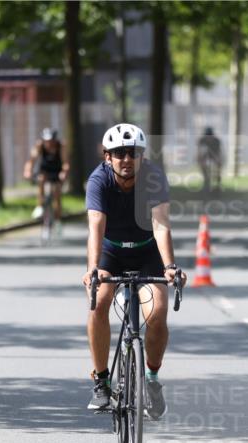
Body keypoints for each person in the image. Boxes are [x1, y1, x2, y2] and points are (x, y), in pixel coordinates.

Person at [83, 123, 185, 417]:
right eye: (119, 153)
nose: (126, 159)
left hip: (147, 250)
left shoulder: (153, 177)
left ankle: (151, 379)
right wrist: (93, 269)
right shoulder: (98, 181)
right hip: (111, 251)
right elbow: (95, 227)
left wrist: (169, 267)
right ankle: (102, 382)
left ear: (142, 156)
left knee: (157, 313)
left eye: (133, 153)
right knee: (99, 303)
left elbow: (161, 224)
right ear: (107, 157)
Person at [23, 127, 69, 223]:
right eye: (47, 141)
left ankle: (58, 220)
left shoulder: (61, 146)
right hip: (45, 171)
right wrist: (28, 171)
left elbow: (65, 163)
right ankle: (39, 206)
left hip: (57, 171)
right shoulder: (39, 146)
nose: (49, 144)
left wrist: (64, 173)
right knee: (41, 180)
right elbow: (31, 160)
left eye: (51, 141)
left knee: (57, 194)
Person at [196, 127, 223, 193]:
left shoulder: (216, 140)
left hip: (214, 155)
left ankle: (217, 185)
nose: (209, 137)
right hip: (205, 156)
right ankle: (206, 184)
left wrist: (218, 160)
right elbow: (200, 152)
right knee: (204, 169)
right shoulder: (202, 140)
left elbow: (218, 152)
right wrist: (201, 160)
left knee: (217, 170)